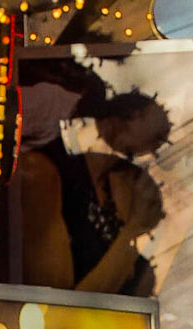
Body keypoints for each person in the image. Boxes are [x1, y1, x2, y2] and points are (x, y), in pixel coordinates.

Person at [18, 73, 169, 296]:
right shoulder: (56, 113)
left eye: (159, 140)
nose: (154, 144)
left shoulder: (117, 194)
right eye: (155, 131)